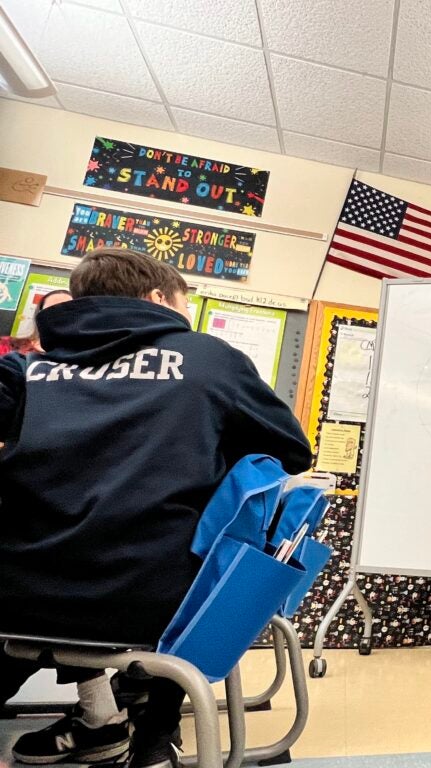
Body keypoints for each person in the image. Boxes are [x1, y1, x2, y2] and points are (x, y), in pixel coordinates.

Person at [0, 247, 313, 768]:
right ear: (157, 299)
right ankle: (154, 738)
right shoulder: (208, 359)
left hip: (19, 595)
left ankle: (106, 723)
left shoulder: (27, 369)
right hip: (150, 602)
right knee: (191, 562)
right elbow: (292, 451)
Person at [2, 286, 133, 766]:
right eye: (58, 316)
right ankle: (103, 720)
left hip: (66, 560)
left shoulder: (118, 383)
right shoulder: (22, 372)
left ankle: (104, 721)